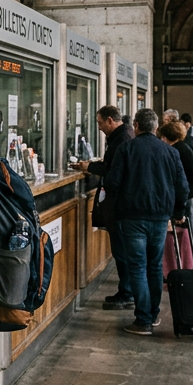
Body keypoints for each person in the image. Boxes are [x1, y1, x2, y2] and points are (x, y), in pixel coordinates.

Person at [105, 109, 190, 336]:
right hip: (161, 218)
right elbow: (183, 187)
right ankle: (153, 314)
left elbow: (112, 183)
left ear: (136, 125)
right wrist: (178, 212)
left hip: (133, 217)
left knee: (137, 267)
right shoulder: (170, 152)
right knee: (154, 267)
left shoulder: (126, 148)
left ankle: (142, 320)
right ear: (155, 127)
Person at [74, 106, 135, 310]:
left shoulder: (122, 139)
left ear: (110, 120)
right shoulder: (122, 136)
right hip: (119, 205)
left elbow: (114, 172)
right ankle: (126, 290)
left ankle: (127, 292)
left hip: (119, 205)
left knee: (122, 251)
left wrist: (90, 167)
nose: (98, 127)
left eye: (100, 123)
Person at [159, 121, 193, 262]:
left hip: (188, 194)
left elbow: (185, 175)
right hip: (192, 191)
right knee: (191, 227)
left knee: (189, 228)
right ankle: (192, 259)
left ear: (167, 137)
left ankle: (190, 259)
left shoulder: (177, 150)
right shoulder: (185, 146)